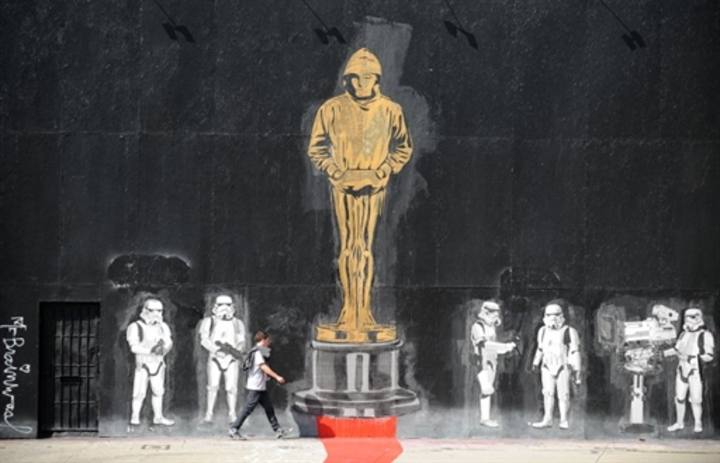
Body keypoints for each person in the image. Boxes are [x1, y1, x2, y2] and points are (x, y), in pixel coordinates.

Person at [307, 48, 412, 342]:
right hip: (342, 185)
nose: (361, 83)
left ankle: (364, 312)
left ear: (376, 79)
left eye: (367, 77)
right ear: (347, 79)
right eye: (355, 77)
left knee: (364, 247)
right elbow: (317, 148)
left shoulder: (390, 110)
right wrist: (335, 170)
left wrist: (383, 170)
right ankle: (348, 311)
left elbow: (403, 147)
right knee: (348, 247)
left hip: (374, 185)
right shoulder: (331, 109)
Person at [228, 330, 290, 439]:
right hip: (255, 387)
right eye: (268, 340)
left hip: (260, 387)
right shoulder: (257, 352)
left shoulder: (259, 351)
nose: (269, 342)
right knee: (247, 409)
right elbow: (263, 367)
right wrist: (277, 376)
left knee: (269, 408)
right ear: (263, 340)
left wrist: (266, 377)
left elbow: (261, 368)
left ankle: (278, 430)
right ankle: (234, 429)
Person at [530, 301, 582, 429]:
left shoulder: (569, 331)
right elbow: (540, 348)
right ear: (545, 316)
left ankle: (563, 419)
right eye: (549, 315)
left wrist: (577, 370)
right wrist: (535, 362)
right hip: (546, 366)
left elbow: (574, 351)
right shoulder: (542, 331)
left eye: (556, 315)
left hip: (563, 366)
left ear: (562, 315)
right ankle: (547, 418)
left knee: (563, 394)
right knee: (547, 393)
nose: (552, 318)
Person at [126, 297, 174, 426]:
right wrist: (151, 350)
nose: (156, 314)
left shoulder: (163, 327)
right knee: (139, 392)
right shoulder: (135, 326)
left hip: (158, 363)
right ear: (145, 310)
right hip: (142, 364)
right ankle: (135, 417)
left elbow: (169, 342)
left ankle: (158, 417)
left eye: (159, 311)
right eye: (153, 310)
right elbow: (134, 347)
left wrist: (164, 349)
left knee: (158, 391)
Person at [199, 294, 246, 424]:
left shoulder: (238, 323)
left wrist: (234, 351)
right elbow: (204, 340)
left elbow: (241, 341)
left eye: (228, 305)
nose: (224, 308)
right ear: (215, 306)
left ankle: (232, 414)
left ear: (232, 307)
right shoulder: (208, 322)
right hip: (215, 358)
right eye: (221, 305)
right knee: (212, 387)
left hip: (231, 359)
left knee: (232, 388)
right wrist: (216, 350)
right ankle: (209, 414)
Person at [667, 307, 715, 433]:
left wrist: (696, 357)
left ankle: (698, 423)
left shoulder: (705, 335)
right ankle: (679, 423)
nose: (689, 320)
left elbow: (709, 356)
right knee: (679, 397)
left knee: (696, 399)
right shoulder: (683, 334)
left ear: (699, 318)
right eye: (687, 317)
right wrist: (661, 354)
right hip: (682, 368)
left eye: (693, 317)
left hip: (695, 370)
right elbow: (676, 349)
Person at [470, 300, 516, 428]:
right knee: (487, 389)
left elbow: (493, 346)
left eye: (497, 313)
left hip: (491, 361)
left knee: (487, 390)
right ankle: (485, 419)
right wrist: (504, 347)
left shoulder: (491, 327)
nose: (496, 316)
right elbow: (484, 344)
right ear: (486, 313)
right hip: (481, 362)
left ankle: (485, 418)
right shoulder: (478, 326)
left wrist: (506, 348)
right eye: (493, 313)